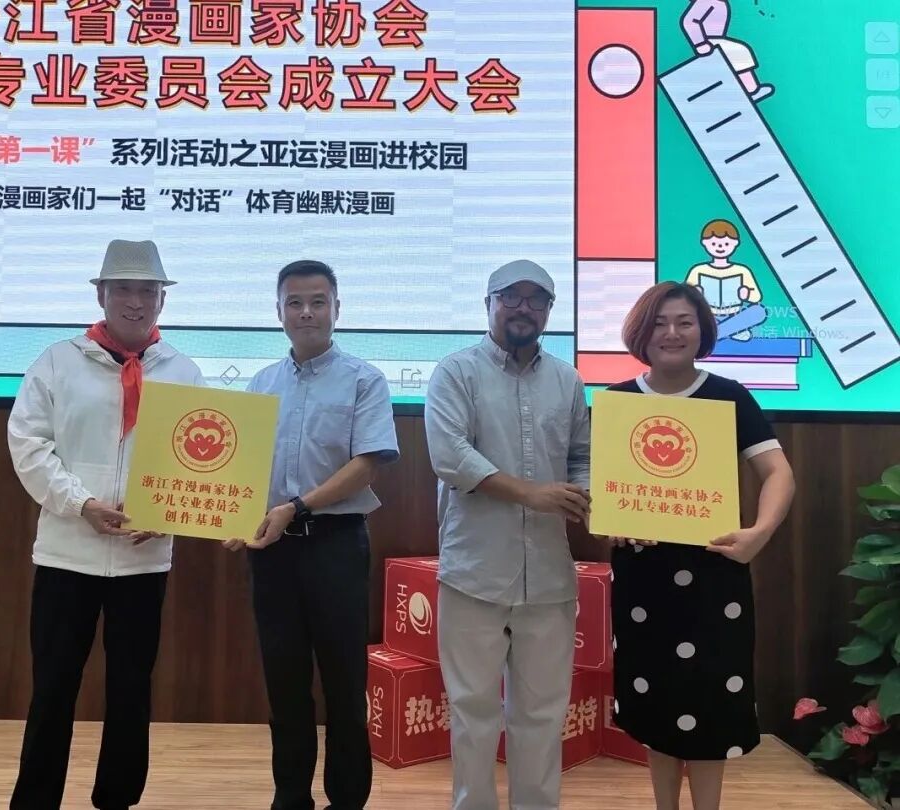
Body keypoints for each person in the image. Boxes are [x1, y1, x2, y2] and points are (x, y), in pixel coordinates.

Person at [7, 239, 206, 810]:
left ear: (163, 299)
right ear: (101, 294)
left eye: (148, 291)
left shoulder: (184, 372)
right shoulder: (56, 362)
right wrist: (81, 503)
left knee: (131, 690)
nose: (136, 301)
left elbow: (198, 463)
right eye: (123, 289)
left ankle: (117, 799)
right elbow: (28, 445)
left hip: (144, 561)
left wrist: (169, 511)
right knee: (53, 688)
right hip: (66, 554)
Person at [606, 281, 795, 810]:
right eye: (659, 322)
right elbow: (603, 486)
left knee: (710, 697)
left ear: (703, 329)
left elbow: (778, 472)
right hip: (643, 578)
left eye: (684, 322)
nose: (671, 333)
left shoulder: (729, 395)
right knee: (655, 696)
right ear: (640, 332)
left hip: (715, 573)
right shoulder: (618, 401)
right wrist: (612, 519)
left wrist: (759, 533)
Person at [222, 260, 399, 810]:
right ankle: (290, 795)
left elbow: (366, 465)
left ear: (336, 309)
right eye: (294, 303)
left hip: (335, 544)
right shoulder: (261, 384)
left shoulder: (364, 379)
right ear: (278, 312)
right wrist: (233, 517)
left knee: (345, 683)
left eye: (317, 302)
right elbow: (244, 470)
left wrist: (297, 507)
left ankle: (347, 798)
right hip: (272, 551)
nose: (306, 312)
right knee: (285, 682)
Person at [424, 259, 591, 810]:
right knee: (473, 711)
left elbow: (583, 457)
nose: (523, 308)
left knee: (542, 715)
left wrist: (592, 496)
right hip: (474, 572)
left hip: (548, 575)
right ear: (488, 304)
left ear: (549, 310)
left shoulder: (568, 380)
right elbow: (451, 457)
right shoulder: (456, 372)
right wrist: (531, 493)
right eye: (510, 297)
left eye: (536, 299)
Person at [684, 219, 767, 343]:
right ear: (705, 243)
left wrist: (747, 294)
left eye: (726, 244)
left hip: (735, 315)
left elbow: (756, 297)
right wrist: (695, 293)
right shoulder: (698, 270)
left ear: (735, 244)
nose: (720, 247)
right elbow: (683, 298)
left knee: (759, 311)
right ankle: (730, 331)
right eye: (714, 244)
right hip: (708, 316)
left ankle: (715, 333)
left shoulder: (742, 270)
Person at [681, 0, 774, 102]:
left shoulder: (719, 3)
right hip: (710, 41)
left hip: (717, 40)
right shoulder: (705, 2)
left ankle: (751, 89)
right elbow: (689, 22)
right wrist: (700, 44)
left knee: (741, 52)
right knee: (738, 52)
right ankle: (750, 90)